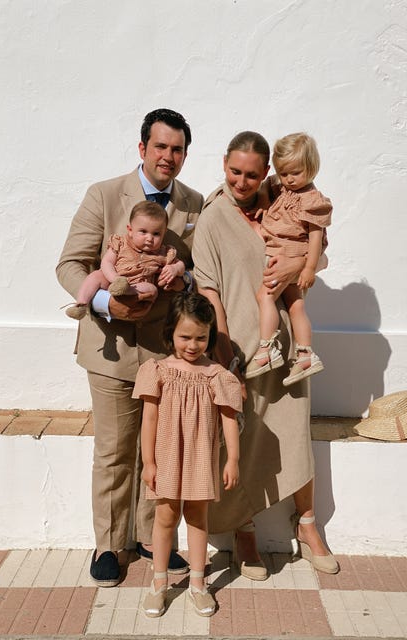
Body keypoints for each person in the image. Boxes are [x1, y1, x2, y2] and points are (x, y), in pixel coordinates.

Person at [56, 108, 204, 587]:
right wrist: (103, 302)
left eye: (177, 149)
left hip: (165, 354)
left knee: (158, 448)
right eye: (160, 147)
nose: (169, 156)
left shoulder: (194, 204)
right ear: (142, 149)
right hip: (110, 349)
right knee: (115, 450)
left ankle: (147, 535)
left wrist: (183, 274)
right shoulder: (103, 195)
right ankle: (108, 543)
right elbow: (71, 264)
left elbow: (201, 270)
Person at [192, 130, 339, 579]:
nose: (241, 180)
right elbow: (208, 288)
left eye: (252, 174)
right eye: (234, 171)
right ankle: (244, 528)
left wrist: (300, 265)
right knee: (242, 435)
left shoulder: (283, 202)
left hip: (288, 349)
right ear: (223, 164)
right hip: (240, 345)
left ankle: (309, 526)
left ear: (266, 173)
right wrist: (220, 350)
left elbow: (317, 255)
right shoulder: (213, 217)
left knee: (295, 428)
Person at [133, 292, 241, 617]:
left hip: (199, 459)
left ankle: (198, 584)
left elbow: (228, 419)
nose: (192, 345)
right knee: (165, 518)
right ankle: (159, 585)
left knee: (197, 517)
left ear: (209, 336)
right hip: (166, 457)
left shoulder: (217, 375)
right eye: (184, 337)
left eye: (200, 338)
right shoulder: (157, 371)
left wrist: (232, 459)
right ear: (171, 333)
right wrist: (148, 462)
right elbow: (149, 419)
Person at [246, 133, 332, 386]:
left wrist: (308, 268)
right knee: (296, 306)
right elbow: (266, 185)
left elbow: (315, 238)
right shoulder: (280, 187)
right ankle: (305, 354)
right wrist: (263, 200)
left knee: (265, 296)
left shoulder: (312, 201)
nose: (289, 179)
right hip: (283, 251)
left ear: (311, 167)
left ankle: (266, 349)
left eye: (295, 173)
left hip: (292, 254)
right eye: (284, 173)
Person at [65, 201, 185, 320]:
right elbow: (107, 263)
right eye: (143, 231)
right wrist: (115, 279)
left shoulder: (164, 253)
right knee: (95, 276)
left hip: (137, 288)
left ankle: (126, 291)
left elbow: (181, 265)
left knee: (151, 289)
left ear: (164, 234)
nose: (149, 238)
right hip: (113, 280)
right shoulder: (120, 243)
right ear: (130, 230)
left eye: (156, 234)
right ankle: (81, 304)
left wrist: (174, 269)